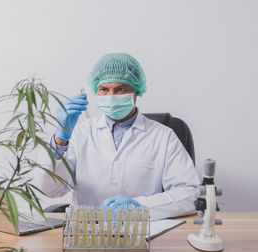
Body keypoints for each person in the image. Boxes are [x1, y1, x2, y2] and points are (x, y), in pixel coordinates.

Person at [35, 53, 199, 219]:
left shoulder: (163, 137)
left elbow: (189, 194)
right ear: (95, 91)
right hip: (87, 233)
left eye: (120, 89)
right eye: (104, 89)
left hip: (140, 231)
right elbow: (49, 189)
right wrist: (60, 139)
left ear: (136, 90)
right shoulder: (80, 134)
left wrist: (141, 207)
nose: (111, 96)